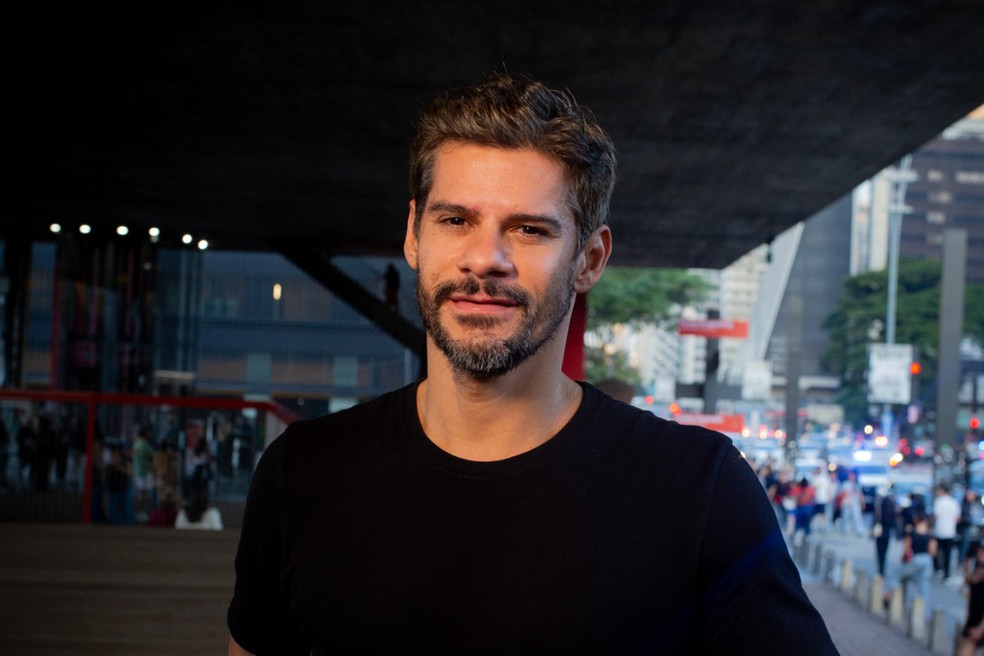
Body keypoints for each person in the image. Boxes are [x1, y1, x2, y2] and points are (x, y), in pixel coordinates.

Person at [227, 72, 837, 655]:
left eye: (528, 229)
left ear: (589, 259)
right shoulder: (302, 473)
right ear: (415, 234)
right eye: (455, 220)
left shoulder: (700, 491)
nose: (484, 258)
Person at [958, 543, 984, 656]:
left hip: (980, 625)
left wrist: (980, 629)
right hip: (973, 620)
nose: (979, 554)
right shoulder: (977, 570)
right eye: (979, 551)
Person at [933, 484, 962, 582]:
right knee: (947, 554)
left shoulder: (939, 502)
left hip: (939, 531)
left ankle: (938, 569)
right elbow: (958, 518)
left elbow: (936, 517)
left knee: (936, 552)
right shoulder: (954, 502)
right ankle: (947, 575)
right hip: (950, 532)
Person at [873, 484, 899, 577]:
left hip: (882, 531)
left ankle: (881, 570)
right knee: (883, 552)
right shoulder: (891, 503)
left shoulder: (880, 503)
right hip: (886, 531)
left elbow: (877, 519)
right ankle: (882, 570)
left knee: (880, 552)